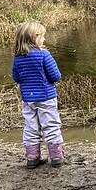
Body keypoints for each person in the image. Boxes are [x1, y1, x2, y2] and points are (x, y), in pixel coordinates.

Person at [12, 21, 64, 168]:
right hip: (46, 96)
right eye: (42, 36)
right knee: (51, 125)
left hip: (28, 99)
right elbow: (56, 76)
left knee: (30, 126)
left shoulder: (18, 58)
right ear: (33, 38)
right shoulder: (44, 55)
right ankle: (56, 157)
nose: (44, 39)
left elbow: (16, 78)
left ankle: (32, 158)